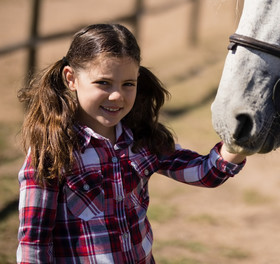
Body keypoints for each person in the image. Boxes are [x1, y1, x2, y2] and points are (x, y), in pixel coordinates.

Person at [16, 23, 247, 263]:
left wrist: (242, 142)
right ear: (71, 78)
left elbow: (205, 172)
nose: (117, 95)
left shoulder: (142, 140)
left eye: (128, 84)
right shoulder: (52, 151)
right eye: (103, 83)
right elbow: (34, 243)